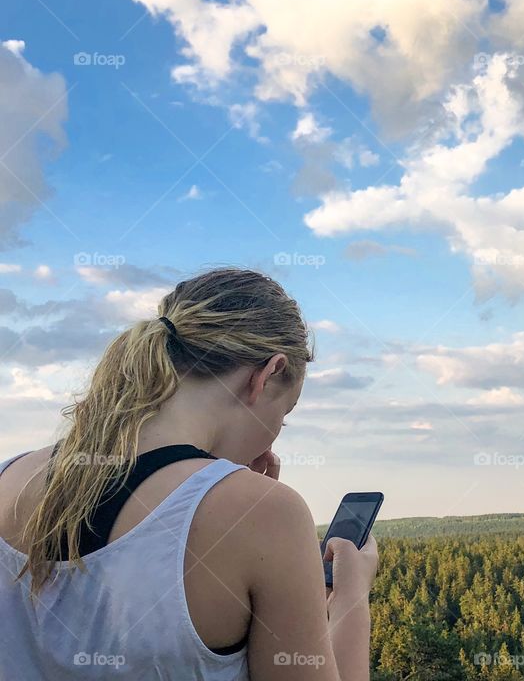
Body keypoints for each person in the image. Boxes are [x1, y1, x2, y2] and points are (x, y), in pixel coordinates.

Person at [0, 268, 378, 680]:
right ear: (267, 374)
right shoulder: (266, 514)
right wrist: (351, 598)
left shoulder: (10, 476)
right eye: (282, 417)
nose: (273, 439)